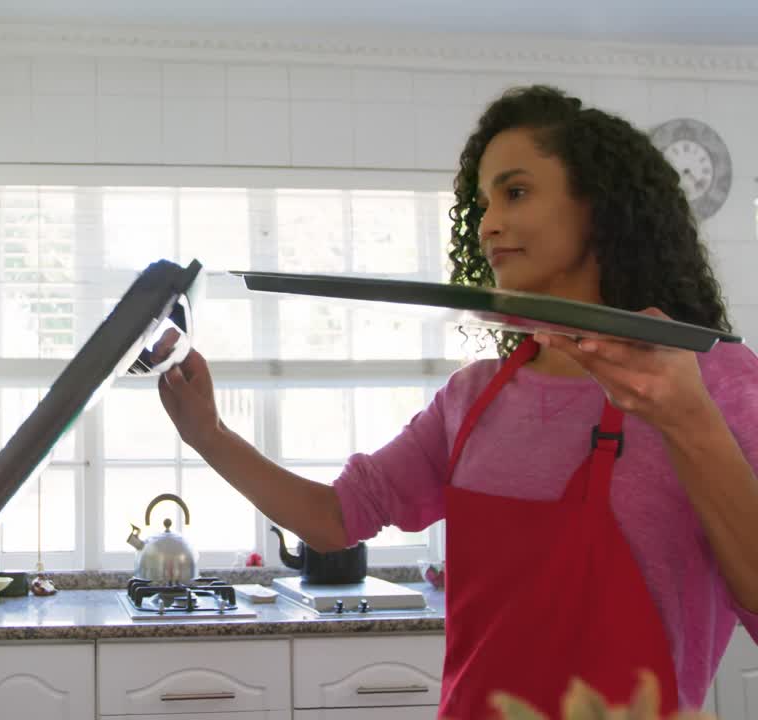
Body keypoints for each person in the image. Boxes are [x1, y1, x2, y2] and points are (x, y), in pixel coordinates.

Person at [157, 85, 758, 719]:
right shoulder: (472, 398)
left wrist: (686, 420)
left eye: (516, 192)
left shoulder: (713, 380)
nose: (488, 222)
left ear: (600, 208)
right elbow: (333, 518)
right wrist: (209, 434)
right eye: (482, 203)